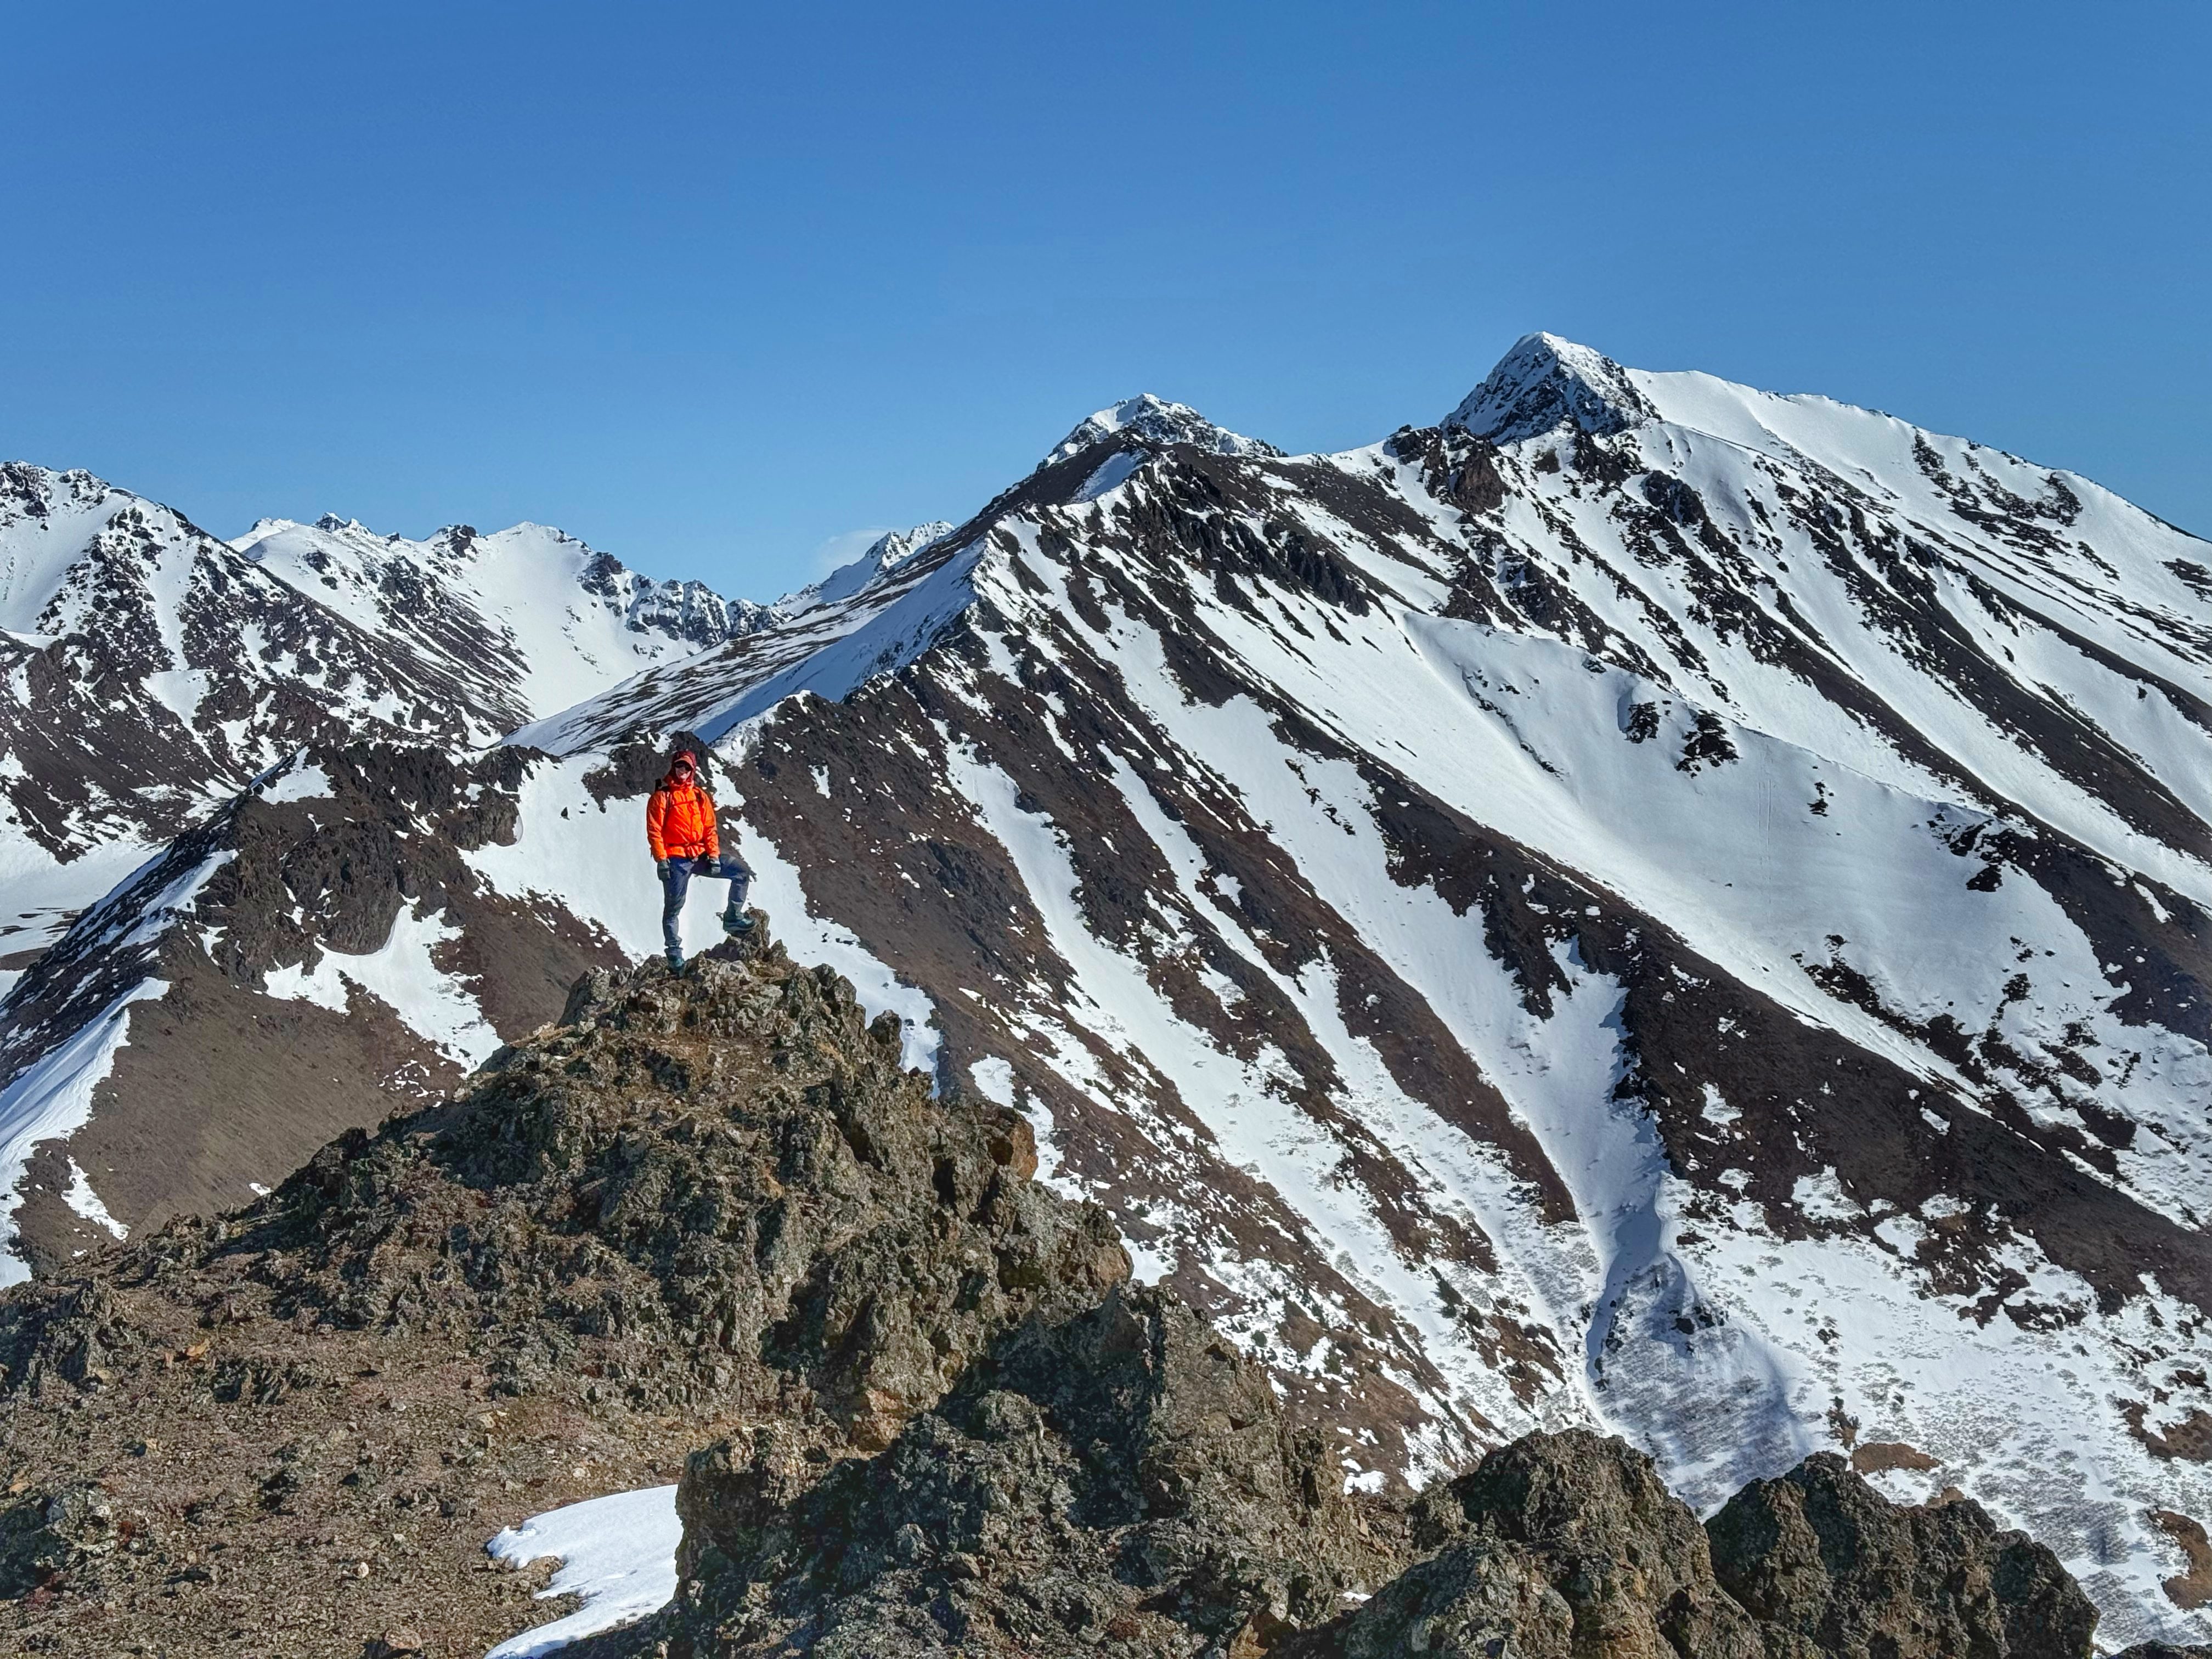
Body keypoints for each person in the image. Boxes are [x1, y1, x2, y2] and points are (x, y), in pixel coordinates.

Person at [647, 748, 753, 969]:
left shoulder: (699, 796)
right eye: (679, 766)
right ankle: (674, 955)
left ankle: (733, 917)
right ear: (673, 767)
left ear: (693, 769)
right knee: (674, 907)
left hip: (700, 855)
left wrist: (714, 856)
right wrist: (662, 860)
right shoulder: (662, 797)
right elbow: (655, 831)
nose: (682, 770)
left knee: (741, 871)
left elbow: (709, 828)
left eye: (686, 767)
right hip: (675, 859)